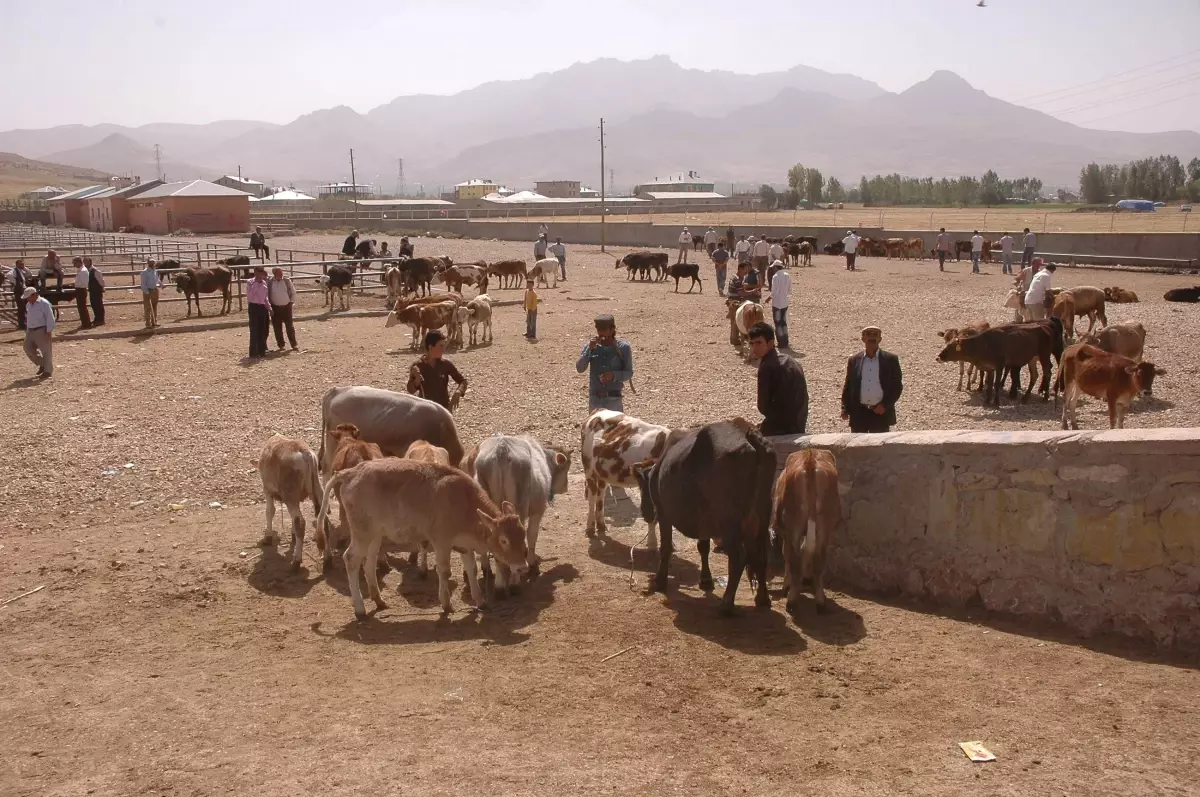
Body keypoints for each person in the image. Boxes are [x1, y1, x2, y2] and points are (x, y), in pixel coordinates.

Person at [748, 322, 808, 436]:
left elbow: (763, 407)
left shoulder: (767, 366)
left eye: (759, 343)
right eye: (752, 344)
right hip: (799, 423)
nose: (754, 348)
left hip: (780, 427)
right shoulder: (790, 360)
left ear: (770, 343)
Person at [840, 326, 903, 434]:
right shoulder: (854, 360)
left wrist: (884, 405)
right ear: (863, 339)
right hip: (859, 413)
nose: (872, 338)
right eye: (868, 335)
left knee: (879, 448)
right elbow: (849, 385)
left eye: (875, 335)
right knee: (857, 447)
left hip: (880, 413)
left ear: (880, 339)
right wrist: (845, 408)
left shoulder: (890, 360)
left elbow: (897, 387)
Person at [576, 314, 633, 412]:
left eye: (604, 330)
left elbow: (628, 373)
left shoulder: (623, 348)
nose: (601, 333)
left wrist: (613, 375)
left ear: (612, 330)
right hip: (595, 400)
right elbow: (580, 368)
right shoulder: (591, 346)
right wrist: (589, 350)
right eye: (599, 330)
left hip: (614, 400)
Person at [406, 331, 467, 410]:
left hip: (443, 409)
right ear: (431, 347)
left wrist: (458, 392)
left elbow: (463, 381)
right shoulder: (418, 366)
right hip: (425, 410)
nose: (443, 349)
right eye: (441, 346)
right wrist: (417, 380)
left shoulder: (446, 364)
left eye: (444, 346)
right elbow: (410, 390)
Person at [22, 286, 55, 379]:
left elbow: (50, 317)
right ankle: (42, 363)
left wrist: (49, 330)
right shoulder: (29, 304)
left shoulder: (44, 304)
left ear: (34, 295)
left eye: (28, 297)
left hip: (41, 329)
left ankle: (48, 371)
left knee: (46, 350)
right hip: (30, 330)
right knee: (27, 347)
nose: (27, 299)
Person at [268, 266, 298, 351]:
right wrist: (270, 307)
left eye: (281, 272)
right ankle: (281, 345)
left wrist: (291, 302)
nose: (281, 274)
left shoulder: (286, 281)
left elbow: (293, 292)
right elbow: (267, 295)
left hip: (287, 307)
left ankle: (294, 344)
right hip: (275, 307)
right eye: (278, 273)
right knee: (277, 327)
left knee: (289, 327)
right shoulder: (269, 282)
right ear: (274, 274)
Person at [246, 265, 271, 358]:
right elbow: (251, 295)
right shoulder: (250, 282)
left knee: (263, 329)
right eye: (259, 272)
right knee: (254, 329)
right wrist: (257, 283)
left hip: (262, 307)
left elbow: (265, 297)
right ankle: (253, 352)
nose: (261, 274)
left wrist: (269, 307)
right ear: (255, 272)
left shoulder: (264, 282)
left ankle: (262, 350)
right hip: (254, 306)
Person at [769, 259, 792, 349]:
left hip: (777, 303)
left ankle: (781, 342)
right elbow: (790, 289)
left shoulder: (775, 276)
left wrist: (769, 298)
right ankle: (786, 341)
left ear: (775, 267)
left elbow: (774, 291)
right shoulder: (787, 275)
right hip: (785, 302)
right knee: (784, 322)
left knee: (778, 323)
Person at [140, 259, 161, 329]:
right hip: (148, 290)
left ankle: (154, 321)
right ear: (149, 264)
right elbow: (143, 284)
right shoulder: (144, 272)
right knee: (148, 307)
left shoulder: (155, 271)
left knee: (154, 306)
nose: (154, 264)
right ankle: (148, 323)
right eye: (153, 263)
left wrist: (161, 284)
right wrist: (147, 292)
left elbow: (157, 279)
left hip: (155, 289)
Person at [84, 257, 105, 326]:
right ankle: (97, 318)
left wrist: (101, 287)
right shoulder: (88, 271)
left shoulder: (95, 271)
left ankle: (100, 319)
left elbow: (101, 281)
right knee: (94, 305)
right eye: (84, 262)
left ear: (90, 262)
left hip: (97, 290)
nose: (85, 264)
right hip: (92, 290)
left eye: (86, 262)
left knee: (98, 304)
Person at [72, 257, 91, 328]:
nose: (74, 265)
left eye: (75, 263)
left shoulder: (83, 271)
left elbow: (84, 283)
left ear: (79, 262)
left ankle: (86, 323)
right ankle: (85, 323)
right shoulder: (80, 270)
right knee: (81, 307)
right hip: (79, 289)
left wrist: (75, 284)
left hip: (81, 290)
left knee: (82, 307)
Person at [11, 259, 30, 330]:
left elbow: (29, 273)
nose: (22, 265)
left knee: (25, 307)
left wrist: (24, 267)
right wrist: (16, 283)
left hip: (23, 291)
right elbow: (8, 275)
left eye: (23, 264)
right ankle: (22, 324)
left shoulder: (21, 271)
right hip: (19, 291)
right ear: (17, 265)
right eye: (21, 264)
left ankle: (25, 323)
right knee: (21, 308)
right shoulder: (14, 271)